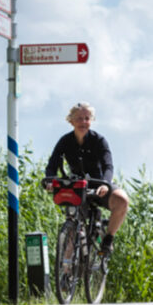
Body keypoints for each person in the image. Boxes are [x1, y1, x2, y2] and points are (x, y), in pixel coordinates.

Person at [44, 102, 130, 255]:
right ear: (71, 121)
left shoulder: (99, 140)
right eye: (79, 119)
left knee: (122, 200)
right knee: (72, 230)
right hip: (77, 188)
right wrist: (50, 180)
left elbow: (108, 166)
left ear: (91, 120)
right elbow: (52, 165)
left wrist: (106, 184)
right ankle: (66, 272)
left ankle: (108, 238)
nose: (83, 122)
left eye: (86, 118)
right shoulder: (65, 141)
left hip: (99, 185)